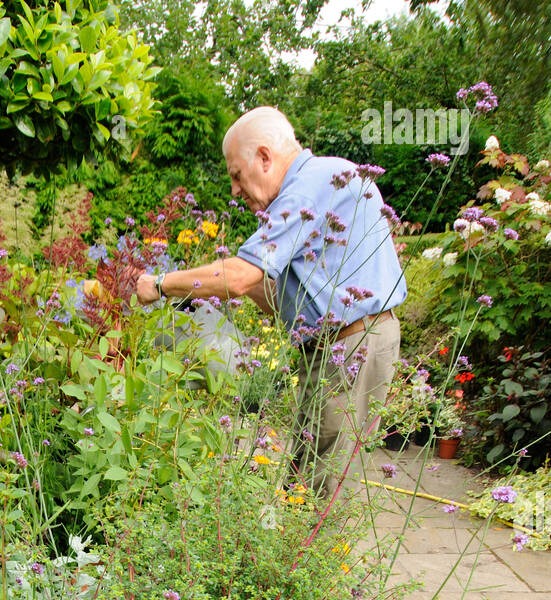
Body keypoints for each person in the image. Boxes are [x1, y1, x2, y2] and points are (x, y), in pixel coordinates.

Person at [136, 106, 407, 496]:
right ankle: (309, 552)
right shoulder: (322, 179)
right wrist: (210, 292)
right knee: (307, 479)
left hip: (351, 347)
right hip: (343, 345)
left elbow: (240, 275)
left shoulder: (311, 185)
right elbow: (272, 291)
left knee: (321, 489)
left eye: (236, 175)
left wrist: (161, 284)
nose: (234, 189)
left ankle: (323, 557)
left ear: (264, 157)